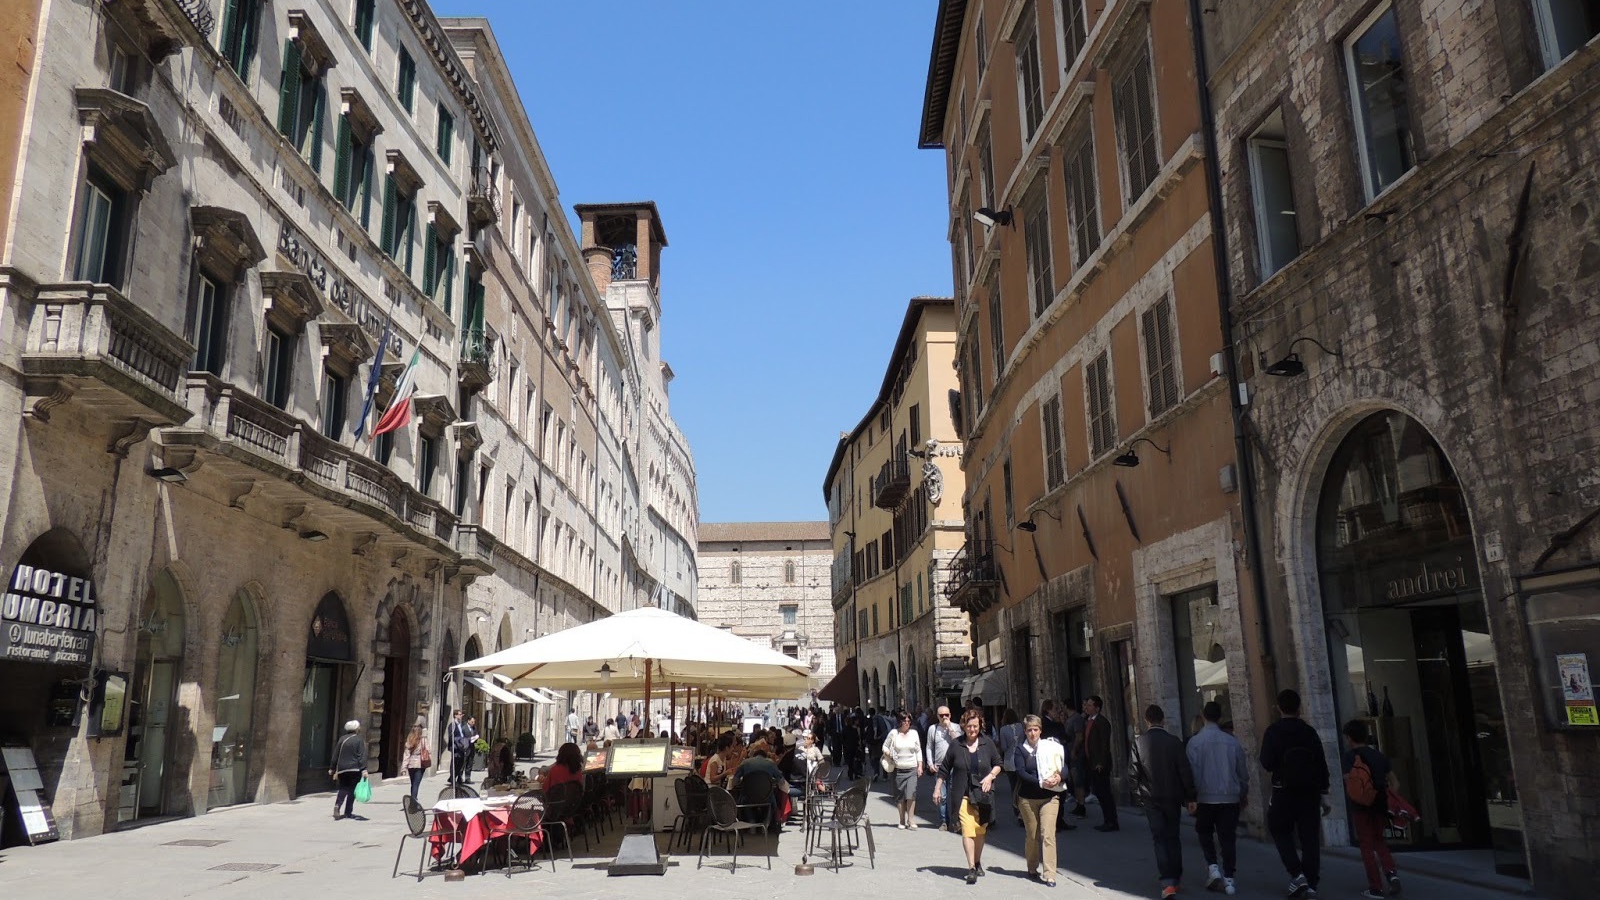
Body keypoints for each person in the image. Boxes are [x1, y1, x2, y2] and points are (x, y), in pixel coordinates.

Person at [1259, 689, 1331, 899]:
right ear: (1299, 708)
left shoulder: (1273, 732)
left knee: (1279, 829)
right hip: (1309, 792)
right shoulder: (1309, 732)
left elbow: (1266, 762)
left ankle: (1297, 873)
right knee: (1310, 837)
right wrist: (1324, 791)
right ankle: (1311, 883)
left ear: (1279, 707)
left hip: (1284, 791)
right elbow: (1321, 762)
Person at [933, 708, 1003, 885]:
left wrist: (991, 776)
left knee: (980, 831)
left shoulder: (987, 743)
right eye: (969, 726)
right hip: (962, 793)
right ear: (963, 726)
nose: (972, 730)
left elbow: (998, 764)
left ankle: (977, 861)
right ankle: (971, 867)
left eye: (976, 726)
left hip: (983, 794)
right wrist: (937, 787)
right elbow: (945, 768)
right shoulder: (957, 744)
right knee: (968, 829)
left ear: (980, 726)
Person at [1133, 705, 1196, 900]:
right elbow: (1185, 771)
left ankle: (1167, 881)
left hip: (1151, 798)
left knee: (1159, 838)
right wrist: (1191, 797)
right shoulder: (1174, 742)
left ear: (1147, 720)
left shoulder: (1139, 742)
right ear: (1163, 720)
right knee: (1173, 836)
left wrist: (1139, 797)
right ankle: (1175, 876)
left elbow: (1133, 773)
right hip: (1172, 797)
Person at [1187, 701, 1249, 895]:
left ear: (1204, 716)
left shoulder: (1195, 742)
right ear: (1220, 717)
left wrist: (1192, 797)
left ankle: (1213, 867)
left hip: (1205, 796)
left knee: (1204, 832)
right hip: (1229, 797)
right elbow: (1242, 772)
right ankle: (1229, 878)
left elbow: (1192, 772)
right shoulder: (1232, 741)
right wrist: (1242, 792)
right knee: (1228, 838)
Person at [1342, 720, 1400, 900]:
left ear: (1349, 738)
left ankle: (1375, 887)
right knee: (1379, 841)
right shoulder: (1380, 756)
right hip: (1380, 804)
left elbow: (1349, 783)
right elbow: (1395, 783)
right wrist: (1386, 797)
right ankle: (1391, 873)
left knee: (1366, 845)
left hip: (1360, 806)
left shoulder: (1349, 757)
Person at [1013, 715, 1066, 886]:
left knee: (1048, 834)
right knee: (1033, 835)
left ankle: (1050, 874)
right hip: (1027, 798)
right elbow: (1021, 772)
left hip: (1049, 797)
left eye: (1036, 730)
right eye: (1029, 730)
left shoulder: (1050, 747)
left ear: (1040, 731)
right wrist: (1040, 782)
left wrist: (1059, 777)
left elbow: (1064, 766)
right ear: (1025, 731)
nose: (1033, 733)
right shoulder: (1021, 750)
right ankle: (1032, 866)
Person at [1082, 695, 1120, 831]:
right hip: (1091, 762)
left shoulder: (1102, 722)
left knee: (1104, 793)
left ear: (1097, 708)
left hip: (1099, 764)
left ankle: (1111, 821)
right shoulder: (1089, 721)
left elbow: (1104, 745)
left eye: (1090, 705)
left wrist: (1100, 763)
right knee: (1099, 792)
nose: (1087, 707)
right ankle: (1107, 819)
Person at [883, 712, 925, 829]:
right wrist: (888, 753)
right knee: (900, 796)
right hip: (898, 769)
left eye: (908, 721)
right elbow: (885, 746)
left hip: (912, 768)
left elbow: (918, 750)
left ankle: (911, 820)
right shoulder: (894, 733)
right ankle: (902, 820)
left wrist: (920, 765)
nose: (907, 723)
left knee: (911, 794)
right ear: (899, 722)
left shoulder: (914, 733)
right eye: (904, 721)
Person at [926, 705, 959, 830]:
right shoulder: (933, 729)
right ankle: (944, 821)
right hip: (940, 766)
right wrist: (930, 763)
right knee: (942, 796)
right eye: (941, 715)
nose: (944, 717)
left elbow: (957, 742)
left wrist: (949, 727)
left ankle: (956, 821)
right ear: (937, 716)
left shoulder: (956, 727)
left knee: (956, 795)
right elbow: (929, 747)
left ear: (950, 715)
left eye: (947, 715)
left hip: (955, 766)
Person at [330, 720, 368, 821]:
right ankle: (348, 812)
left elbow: (336, 754)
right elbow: (361, 755)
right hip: (355, 769)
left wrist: (332, 768)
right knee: (352, 790)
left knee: (343, 788)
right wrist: (364, 769)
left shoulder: (342, 739)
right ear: (356, 729)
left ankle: (337, 805)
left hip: (342, 769)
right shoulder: (359, 739)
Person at [997, 708, 1025, 825]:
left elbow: (1003, 747)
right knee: (1022, 785)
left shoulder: (1003, 729)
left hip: (1009, 760)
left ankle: (1017, 809)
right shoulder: (1020, 726)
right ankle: (1023, 809)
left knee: (1013, 786)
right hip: (1021, 758)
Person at [401, 723, 430, 802]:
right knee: (416, 784)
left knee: (413, 783)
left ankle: (413, 799)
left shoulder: (409, 741)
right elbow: (428, 750)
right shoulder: (423, 740)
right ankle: (413, 800)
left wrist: (404, 767)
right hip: (420, 764)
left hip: (411, 765)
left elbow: (406, 755)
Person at [447, 709, 472, 785]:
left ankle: (455, 777)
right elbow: (451, 736)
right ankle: (452, 779)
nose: (461, 716)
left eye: (461, 715)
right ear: (455, 715)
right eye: (460, 714)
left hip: (461, 747)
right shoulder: (452, 725)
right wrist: (458, 742)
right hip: (455, 747)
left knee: (461, 763)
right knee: (454, 763)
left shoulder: (461, 725)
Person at [461, 716, 481, 784]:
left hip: (471, 748)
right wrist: (469, 739)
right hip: (465, 748)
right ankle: (459, 778)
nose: (473, 723)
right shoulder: (464, 728)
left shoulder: (474, 728)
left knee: (470, 764)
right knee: (463, 764)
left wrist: (476, 737)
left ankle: (467, 778)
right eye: (472, 722)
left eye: (474, 722)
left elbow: (476, 734)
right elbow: (462, 738)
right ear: (468, 721)